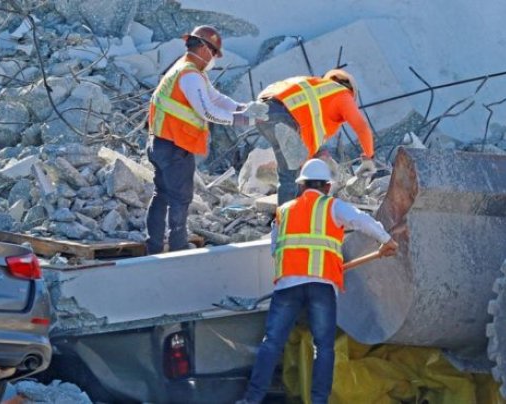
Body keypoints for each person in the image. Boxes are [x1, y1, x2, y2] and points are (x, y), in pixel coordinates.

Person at [237, 159, 399, 404]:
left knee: (271, 343)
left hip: (288, 285)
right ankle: (319, 401)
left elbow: (275, 248)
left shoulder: (284, 211)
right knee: (322, 348)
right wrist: (386, 240)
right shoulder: (332, 206)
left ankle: (251, 399)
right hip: (322, 286)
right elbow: (361, 221)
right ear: (326, 186)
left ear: (301, 186)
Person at [145, 25, 268, 255]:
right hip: (174, 145)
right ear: (203, 48)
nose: (214, 58)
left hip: (162, 142)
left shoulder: (187, 71)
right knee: (180, 199)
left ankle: (153, 246)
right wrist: (245, 121)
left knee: (162, 194)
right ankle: (178, 248)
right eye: (213, 52)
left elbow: (217, 99)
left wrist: (245, 108)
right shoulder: (189, 75)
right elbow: (208, 111)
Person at [256, 69, 378, 204]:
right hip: (283, 115)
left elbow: (306, 141)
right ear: (351, 91)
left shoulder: (314, 91)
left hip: (262, 112)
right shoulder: (342, 94)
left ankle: (285, 218)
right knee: (291, 176)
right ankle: (288, 221)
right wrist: (368, 157)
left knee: (288, 174)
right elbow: (362, 127)